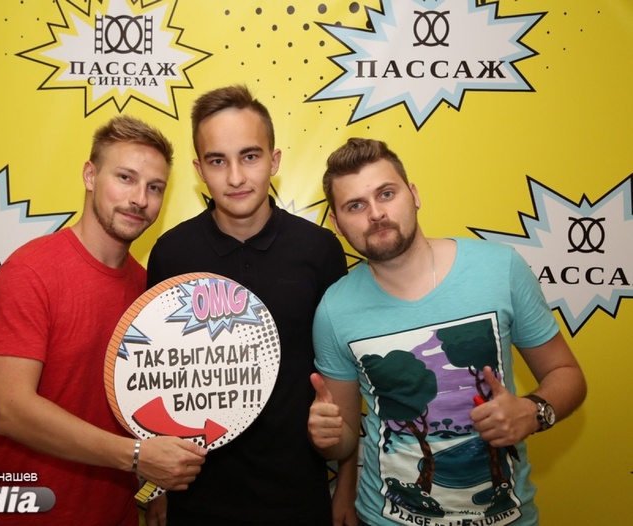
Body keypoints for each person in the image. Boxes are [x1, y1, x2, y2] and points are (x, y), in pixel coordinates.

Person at [307, 138, 587, 526]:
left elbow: (567, 375)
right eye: (355, 205)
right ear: (337, 225)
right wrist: (327, 437)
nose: (376, 213)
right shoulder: (335, 310)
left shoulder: (499, 269)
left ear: (414, 195)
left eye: (386, 194)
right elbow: (345, 441)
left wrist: (533, 411)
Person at [0, 116, 207, 526]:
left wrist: (156, 486)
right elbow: (9, 409)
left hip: (114, 511)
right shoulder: (31, 271)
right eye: (125, 177)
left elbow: (147, 406)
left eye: (155, 187)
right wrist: (137, 457)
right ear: (90, 176)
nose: (139, 199)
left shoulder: (148, 292)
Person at [145, 85, 350, 526]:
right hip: (195, 497)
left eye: (250, 156)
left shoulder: (319, 249)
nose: (236, 177)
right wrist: (157, 487)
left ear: (274, 161)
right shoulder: (171, 253)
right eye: (218, 161)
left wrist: (347, 485)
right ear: (200, 170)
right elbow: (154, 377)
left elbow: (344, 379)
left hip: (297, 495)